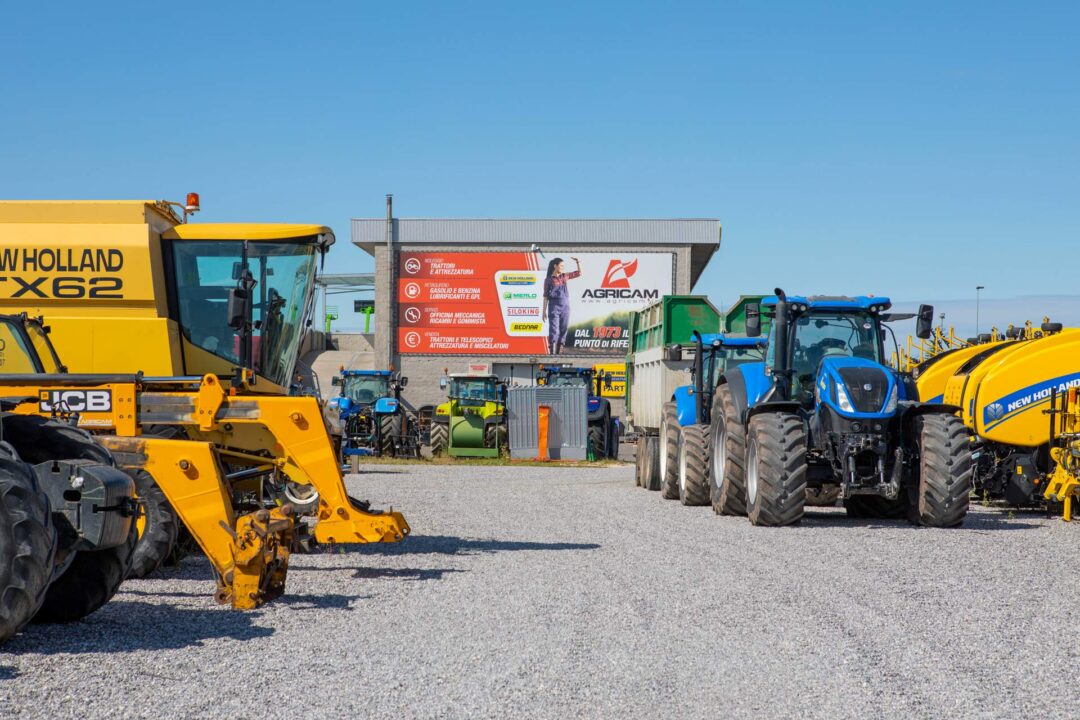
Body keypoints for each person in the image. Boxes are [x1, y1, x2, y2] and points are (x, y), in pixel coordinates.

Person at [542, 256, 581, 355]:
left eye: (564, 266)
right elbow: (546, 296)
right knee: (554, 329)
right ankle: (552, 351)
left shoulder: (564, 276)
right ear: (555, 266)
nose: (563, 267)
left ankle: (560, 350)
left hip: (565, 306)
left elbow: (579, 273)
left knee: (564, 328)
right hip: (553, 306)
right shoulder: (548, 280)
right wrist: (543, 312)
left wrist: (578, 262)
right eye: (561, 265)